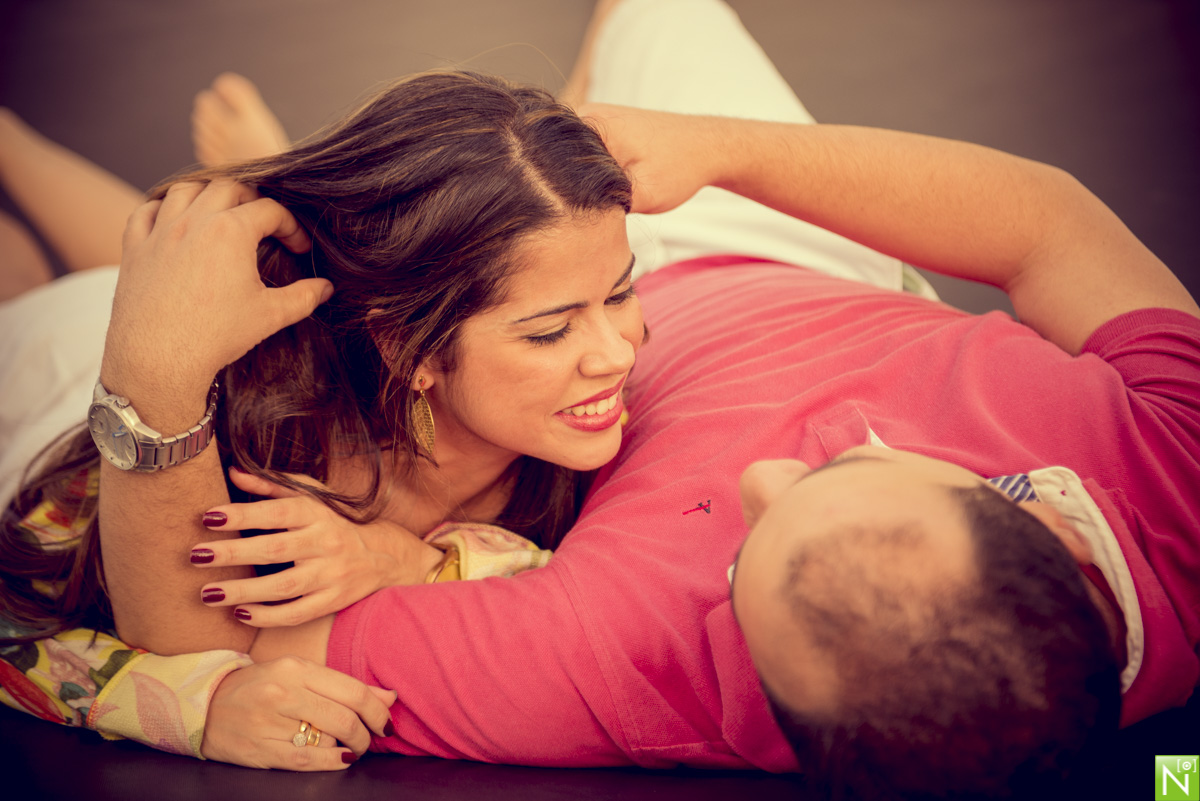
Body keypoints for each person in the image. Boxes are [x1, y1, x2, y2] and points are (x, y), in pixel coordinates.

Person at [8, 2, 1197, 797]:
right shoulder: (1180, 471)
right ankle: (439, 226)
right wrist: (725, 152)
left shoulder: (626, 666)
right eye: (848, 469)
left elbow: (202, 631)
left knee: (71, 300)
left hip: (552, 298)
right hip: (744, 243)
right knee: (664, 15)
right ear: (1036, 508)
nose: (761, 474)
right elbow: (1046, 225)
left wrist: (152, 367)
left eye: (745, 554)